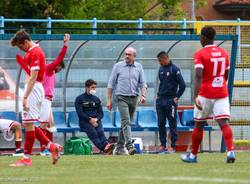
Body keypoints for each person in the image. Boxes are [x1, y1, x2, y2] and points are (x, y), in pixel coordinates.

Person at [181, 26, 235, 163]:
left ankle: (193, 156)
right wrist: (220, 84)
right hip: (222, 93)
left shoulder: (200, 54)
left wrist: (196, 96)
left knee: (199, 124)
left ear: (203, 37)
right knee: (224, 123)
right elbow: (226, 74)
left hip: (205, 93)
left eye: (200, 36)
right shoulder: (224, 53)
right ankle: (230, 152)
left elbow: (198, 75)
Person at [10, 29, 62, 167]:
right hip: (33, 88)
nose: (21, 50)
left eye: (21, 46)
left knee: (28, 124)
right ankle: (51, 146)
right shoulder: (31, 52)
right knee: (30, 124)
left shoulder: (36, 52)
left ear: (26, 42)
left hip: (33, 89)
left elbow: (33, 77)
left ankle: (26, 158)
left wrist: (25, 96)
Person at [107, 47, 147, 155]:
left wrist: (143, 95)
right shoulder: (118, 66)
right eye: (125, 54)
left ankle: (119, 147)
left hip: (134, 98)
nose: (126, 56)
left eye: (129, 54)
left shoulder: (139, 67)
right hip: (121, 97)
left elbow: (143, 83)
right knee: (126, 121)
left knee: (125, 123)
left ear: (134, 56)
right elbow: (110, 84)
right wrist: (109, 100)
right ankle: (129, 146)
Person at [38, 33, 70, 155]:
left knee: (50, 124)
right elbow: (59, 58)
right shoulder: (48, 68)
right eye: (59, 68)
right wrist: (65, 45)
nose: (58, 70)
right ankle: (44, 148)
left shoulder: (51, 72)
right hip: (44, 99)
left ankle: (50, 147)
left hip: (48, 100)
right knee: (44, 124)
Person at [156, 51, 186, 154]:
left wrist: (177, 97)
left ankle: (173, 146)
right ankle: (163, 145)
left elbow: (182, 85)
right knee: (160, 123)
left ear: (165, 59)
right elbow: (162, 83)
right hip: (160, 100)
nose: (159, 63)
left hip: (170, 100)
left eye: (160, 61)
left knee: (172, 123)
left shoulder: (174, 69)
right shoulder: (160, 69)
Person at [75, 79, 115, 155]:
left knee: (101, 132)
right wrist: (90, 120)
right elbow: (80, 113)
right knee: (94, 133)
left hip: (96, 121)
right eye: (92, 87)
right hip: (85, 122)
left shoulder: (96, 99)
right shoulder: (79, 99)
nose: (94, 89)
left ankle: (107, 146)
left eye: (95, 88)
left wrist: (96, 119)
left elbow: (101, 114)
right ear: (87, 87)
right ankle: (105, 149)